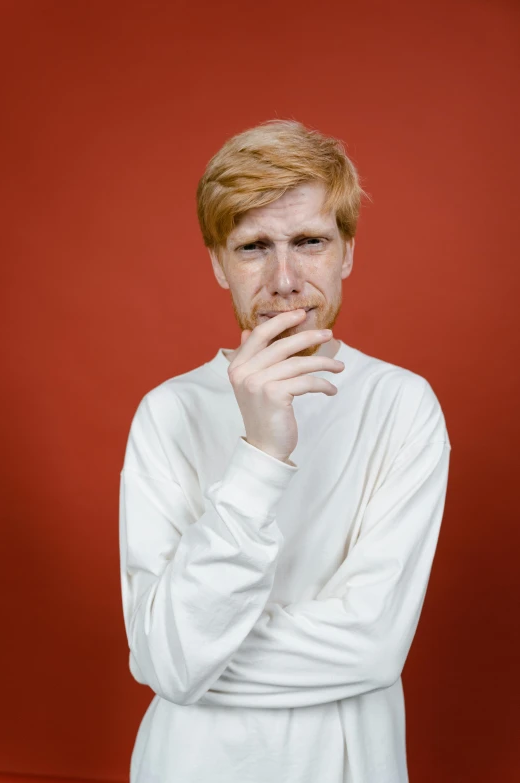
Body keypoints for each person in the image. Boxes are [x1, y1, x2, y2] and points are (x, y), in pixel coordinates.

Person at [119, 119, 452, 783]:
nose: (285, 278)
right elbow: (168, 662)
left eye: (308, 241)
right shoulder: (168, 412)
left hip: (350, 762)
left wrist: (199, 655)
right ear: (218, 263)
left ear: (346, 251)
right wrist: (262, 454)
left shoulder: (403, 405)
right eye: (252, 247)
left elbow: (372, 647)